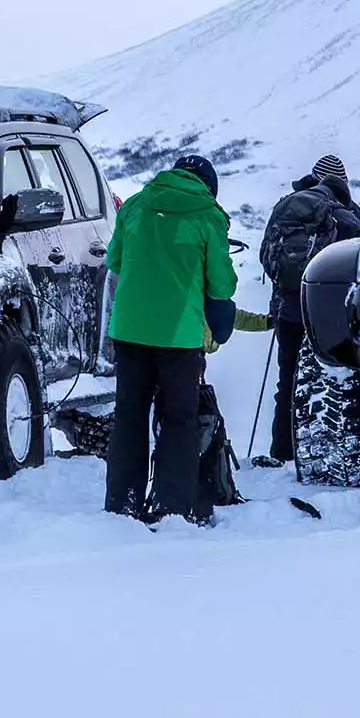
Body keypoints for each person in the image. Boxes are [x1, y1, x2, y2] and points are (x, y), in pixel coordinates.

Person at [104, 154, 238, 524]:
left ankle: (122, 502)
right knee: (179, 420)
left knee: (129, 417)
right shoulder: (209, 214)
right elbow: (222, 285)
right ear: (208, 185)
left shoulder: (135, 205)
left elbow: (115, 260)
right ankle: (171, 506)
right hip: (179, 336)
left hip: (130, 329)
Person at [256, 154, 360, 484]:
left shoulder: (287, 206)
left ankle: (283, 452)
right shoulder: (347, 214)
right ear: (341, 184)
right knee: (337, 382)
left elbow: (268, 255)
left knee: (287, 381)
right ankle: (328, 453)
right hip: (327, 315)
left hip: (288, 310)